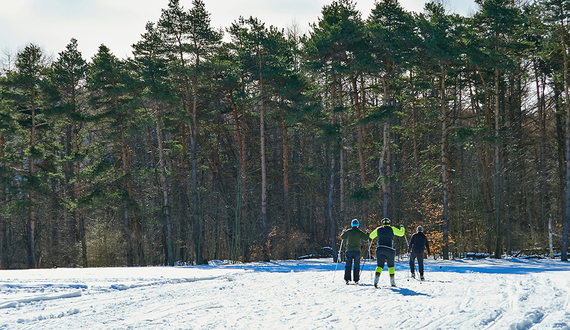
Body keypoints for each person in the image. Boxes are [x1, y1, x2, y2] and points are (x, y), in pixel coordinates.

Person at [369, 218, 405, 288]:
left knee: (380, 266)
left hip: (380, 249)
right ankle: (392, 282)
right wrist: (402, 227)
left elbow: (371, 236)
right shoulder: (392, 228)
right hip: (389, 249)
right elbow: (401, 234)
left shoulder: (379, 229)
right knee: (391, 266)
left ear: (382, 223)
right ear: (389, 223)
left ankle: (376, 279)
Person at [340, 219, 369, 284]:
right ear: (358, 225)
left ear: (351, 225)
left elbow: (342, 237)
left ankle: (347, 279)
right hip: (357, 251)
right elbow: (366, 239)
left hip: (349, 251)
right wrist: (367, 233)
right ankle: (356, 279)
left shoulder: (348, 232)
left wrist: (343, 232)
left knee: (348, 265)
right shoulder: (359, 232)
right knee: (356, 265)